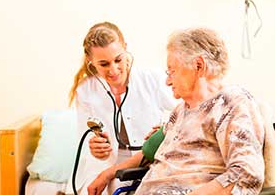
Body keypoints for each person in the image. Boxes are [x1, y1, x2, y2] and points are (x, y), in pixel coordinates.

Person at [87, 27, 265, 195]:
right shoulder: (180, 112)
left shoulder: (230, 103)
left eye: (172, 71)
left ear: (198, 66)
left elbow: (246, 174)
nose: (167, 81)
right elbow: (148, 153)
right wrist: (107, 173)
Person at [65, 21, 178, 195]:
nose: (114, 69)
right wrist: (95, 148)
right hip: (103, 164)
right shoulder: (85, 90)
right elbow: (84, 137)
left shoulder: (152, 79)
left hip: (146, 159)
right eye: (104, 64)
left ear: (125, 48)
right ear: (91, 61)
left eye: (118, 59)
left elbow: (185, 112)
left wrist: (164, 128)